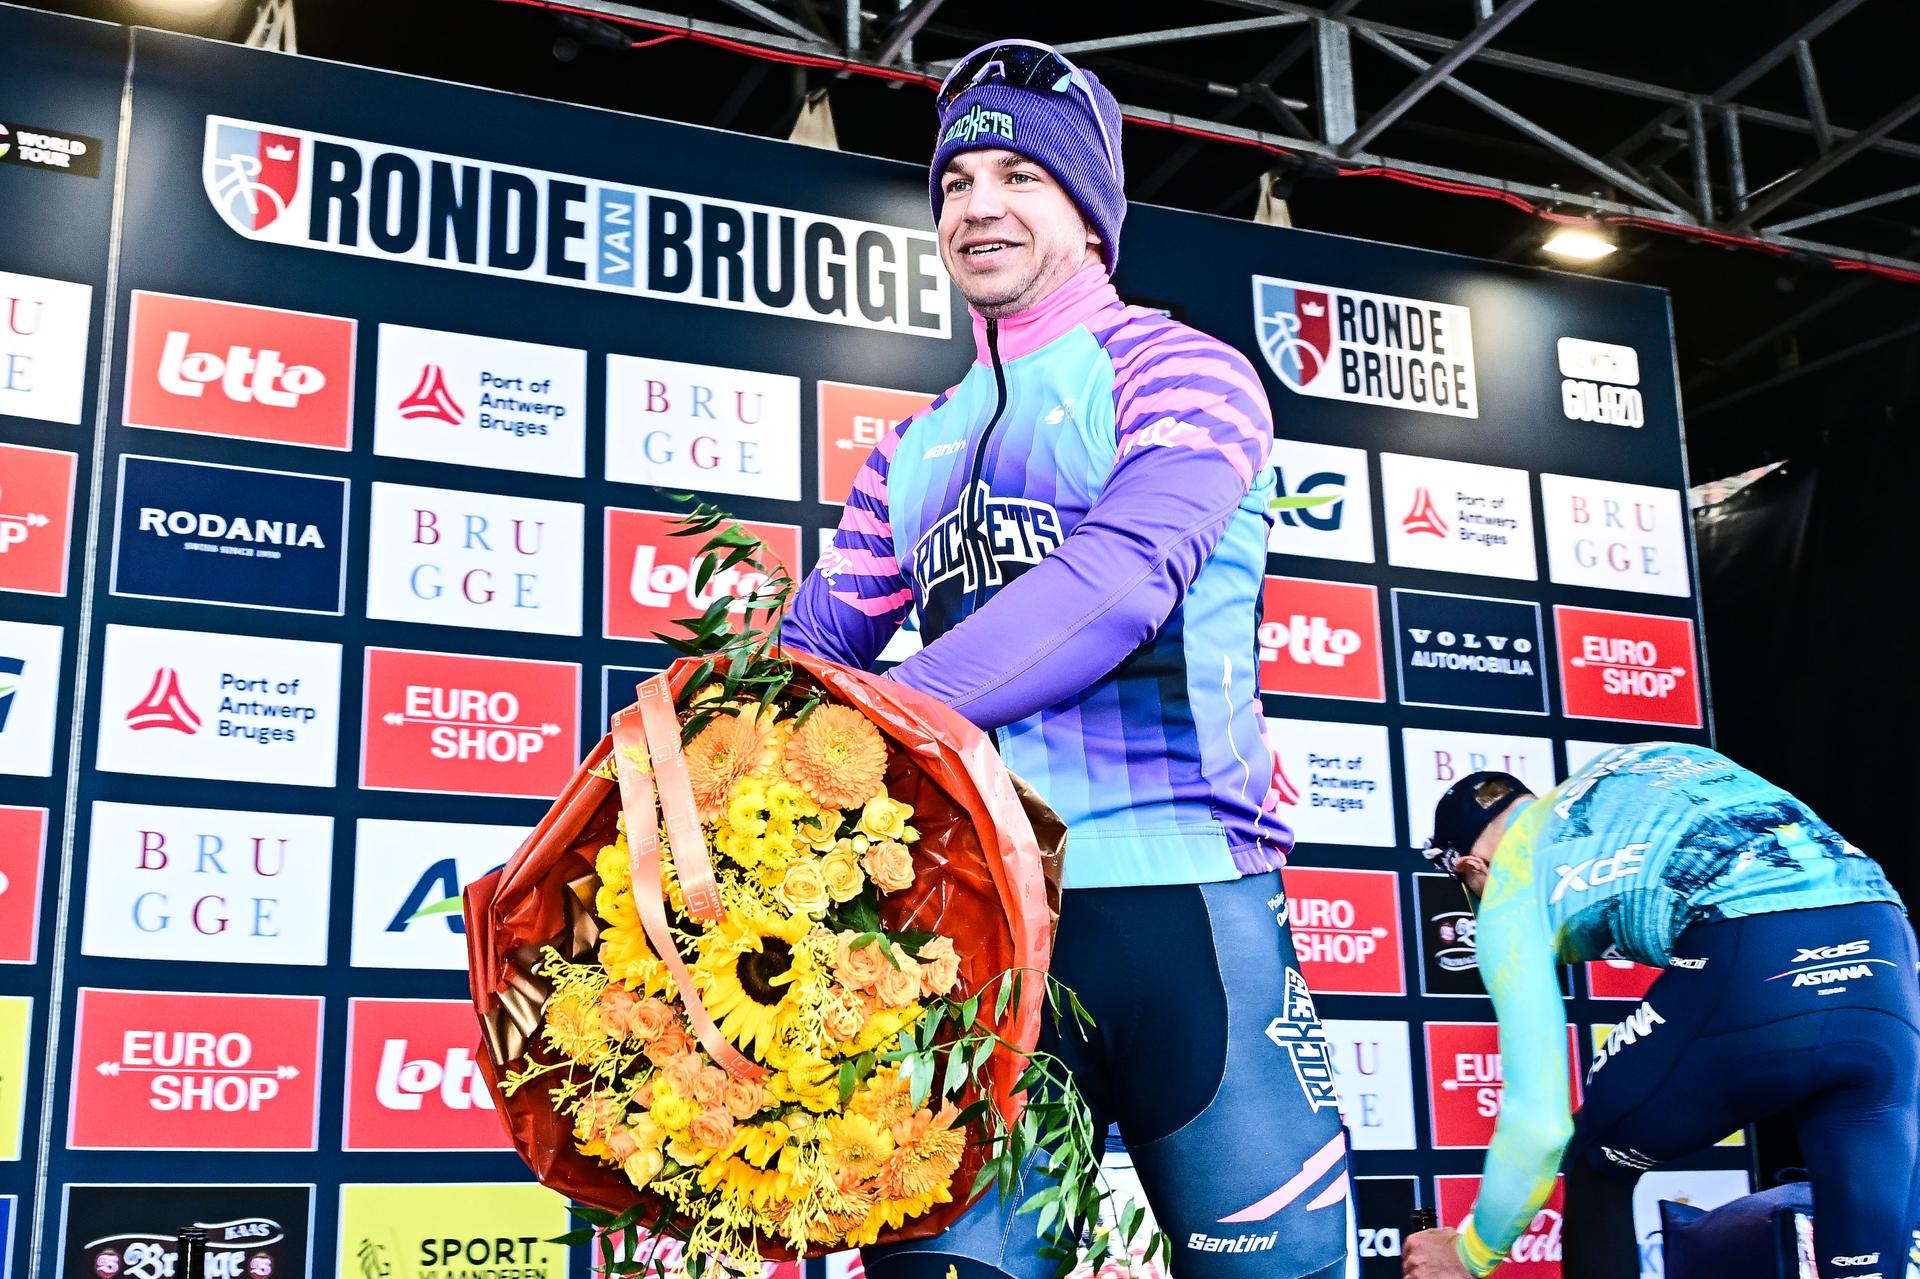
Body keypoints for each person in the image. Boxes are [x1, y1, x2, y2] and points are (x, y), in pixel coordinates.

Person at [779, 37, 1350, 1279]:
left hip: (1187, 913)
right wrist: (669, 797)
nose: (979, 204)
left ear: (1091, 215)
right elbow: (804, 660)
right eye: (955, 183)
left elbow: (1119, 585)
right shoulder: (909, 449)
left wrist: (873, 726)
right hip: (969, 932)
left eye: (1020, 177)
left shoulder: (1181, 371)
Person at [1400, 742, 1919, 1279]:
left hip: (1757, 954)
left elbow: (1539, 1127)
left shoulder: (1510, 886)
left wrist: (1468, 1254)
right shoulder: (1639, 763)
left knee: (1593, 1158)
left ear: (1471, 866)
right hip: (1885, 946)